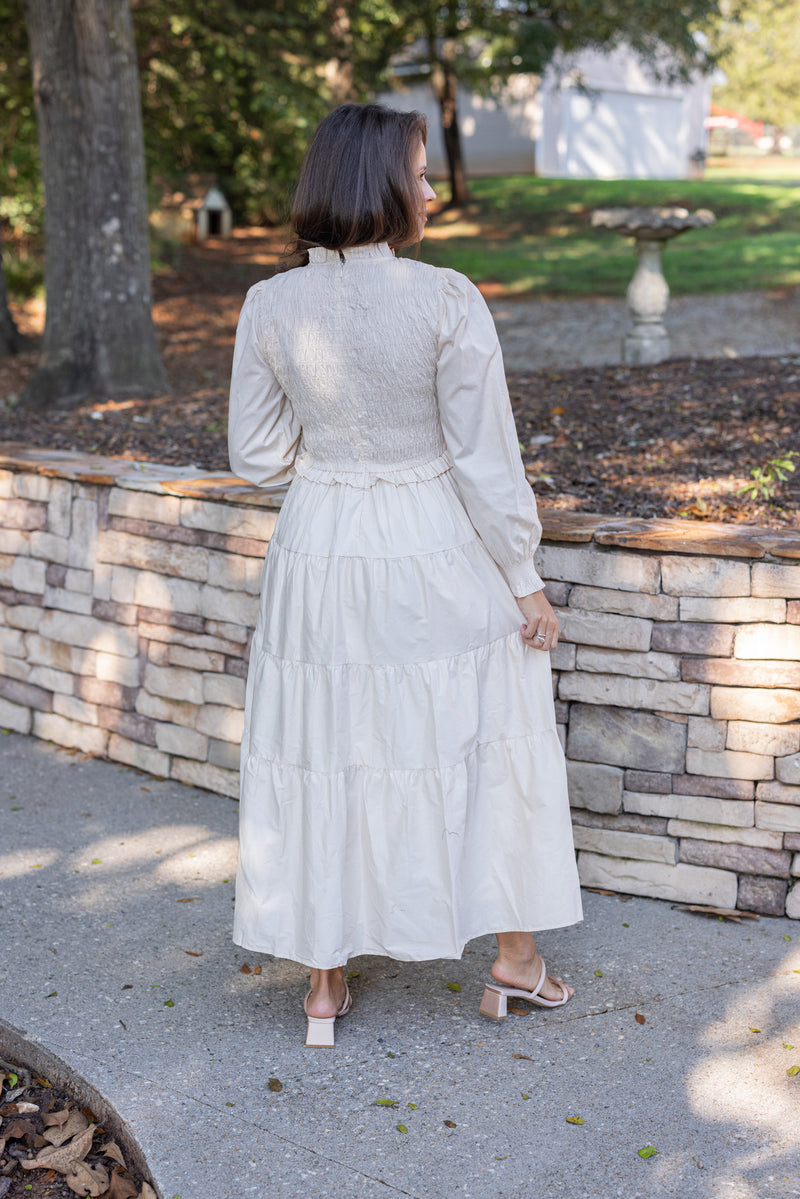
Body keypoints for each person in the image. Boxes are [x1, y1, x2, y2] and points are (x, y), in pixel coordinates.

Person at [228, 103, 582, 1049]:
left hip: (319, 543)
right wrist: (524, 576)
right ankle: (513, 961)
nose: (432, 192)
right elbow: (484, 458)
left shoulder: (270, 304)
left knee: (323, 736)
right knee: (486, 722)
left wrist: (334, 444)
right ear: (382, 185)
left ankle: (322, 981)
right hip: (428, 539)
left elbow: (256, 456)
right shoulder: (446, 298)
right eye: (421, 175)